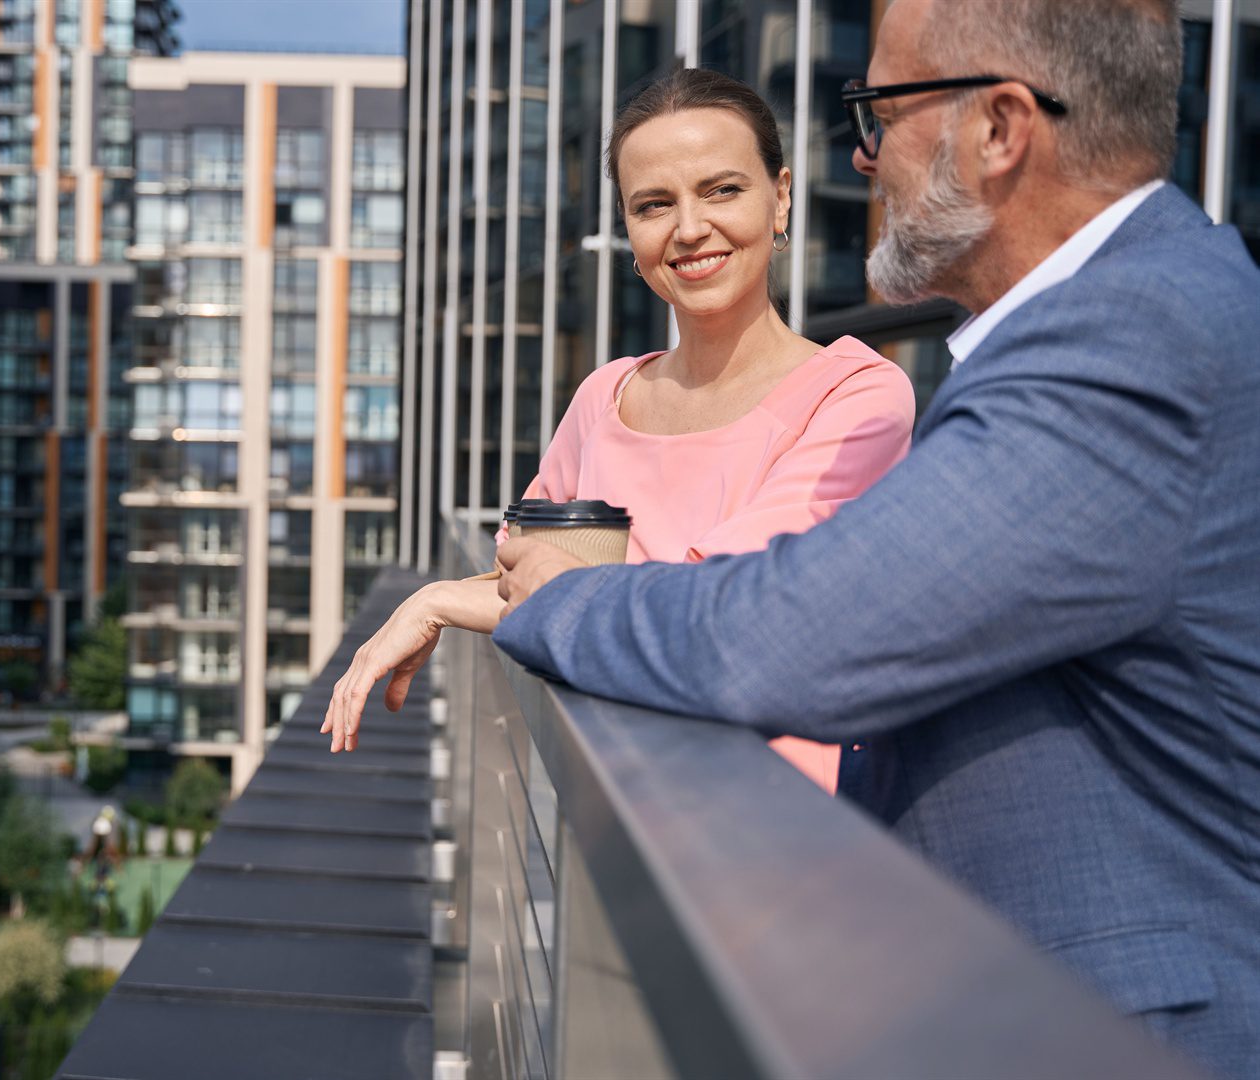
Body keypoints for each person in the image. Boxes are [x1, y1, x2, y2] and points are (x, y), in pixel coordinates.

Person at [492, 0, 1260, 1075]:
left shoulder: (1131, 343)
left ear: (1000, 128)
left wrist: (564, 596)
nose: (864, 154)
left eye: (879, 109)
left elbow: (790, 638)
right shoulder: (1124, 320)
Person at [322, 71, 914, 793]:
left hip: (768, 824)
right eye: (654, 204)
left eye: (722, 189)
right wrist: (437, 597)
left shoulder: (856, 398)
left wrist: (554, 587)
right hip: (612, 806)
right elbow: (527, 580)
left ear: (781, 195)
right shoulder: (608, 395)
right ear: (631, 232)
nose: (689, 228)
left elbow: (720, 608)